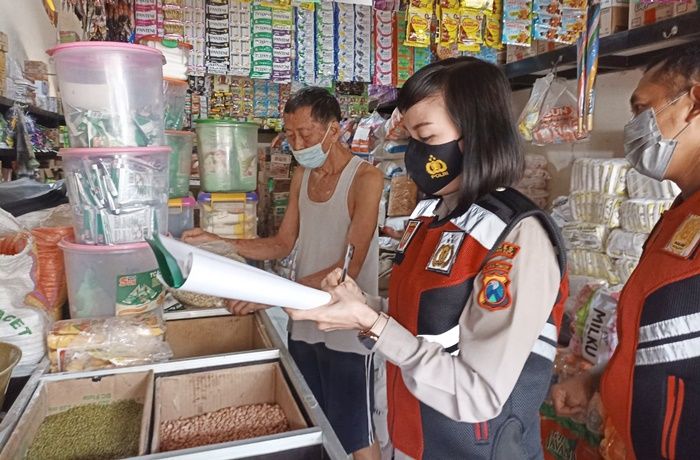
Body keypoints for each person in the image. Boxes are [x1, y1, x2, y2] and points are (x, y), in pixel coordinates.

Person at [287, 57, 569, 459]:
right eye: (412, 138)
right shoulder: (431, 217)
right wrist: (360, 305)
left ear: (475, 135)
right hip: (410, 441)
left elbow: (478, 395)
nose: (415, 153)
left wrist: (373, 323)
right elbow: (423, 319)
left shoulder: (517, 236)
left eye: (426, 135)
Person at [183, 87, 383, 459]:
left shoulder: (365, 179)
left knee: (356, 430)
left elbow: (347, 269)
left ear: (333, 130)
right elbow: (281, 243)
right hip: (303, 321)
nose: (296, 142)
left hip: (348, 325)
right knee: (313, 416)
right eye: (289, 134)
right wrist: (218, 240)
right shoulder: (303, 176)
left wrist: (272, 293)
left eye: (304, 134)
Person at [552, 46, 700, 458]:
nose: (633, 126)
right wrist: (599, 379)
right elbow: (662, 341)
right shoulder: (680, 212)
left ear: (695, 103)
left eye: (642, 109)